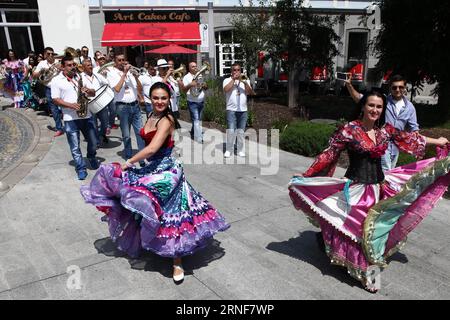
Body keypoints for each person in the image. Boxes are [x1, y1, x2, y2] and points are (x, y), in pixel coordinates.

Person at [288, 90, 450, 293]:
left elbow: (410, 138)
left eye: (379, 107)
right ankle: (368, 276)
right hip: (356, 189)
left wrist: (438, 141)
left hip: (379, 187)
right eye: (371, 105)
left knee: (375, 234)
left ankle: (332, 245)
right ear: (363, 106)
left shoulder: (385, 131)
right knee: (361, 232)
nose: (375, 110)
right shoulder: (349, 129)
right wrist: (307, 174)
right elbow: (328, 154)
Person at [80, 82, 230, 283]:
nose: (159, 101)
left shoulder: (167, 119)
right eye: (156, 97)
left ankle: (177, 260)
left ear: (170, 100)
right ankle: (149, 239)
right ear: (150, 98)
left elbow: (152, 149)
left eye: (163, 98)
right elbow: (148, 149)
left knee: (169, 212)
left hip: (167, 171)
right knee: (134, 196)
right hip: (152, 167)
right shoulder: (151, 115)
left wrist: (130, 161)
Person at [345, 75, 419, 171]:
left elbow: (414, 128)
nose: (397, 90)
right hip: (381, 144)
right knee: (385, 173)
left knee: (389, 172)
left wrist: (417, 148)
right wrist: (349, 85)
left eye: (401, 87)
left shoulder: (410, 107)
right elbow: (360, 99)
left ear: (405, 88)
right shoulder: (383, 101)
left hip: (396, 147)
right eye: (394, 87)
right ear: (390, 88)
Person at [51, 55, 100, 180]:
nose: (73, 67)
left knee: (94, 142)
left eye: (73, 64)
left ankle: (91, 156)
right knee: (75, 146)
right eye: (69, 65)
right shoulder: (56, 80)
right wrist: (71, 105)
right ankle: (81, 168)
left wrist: (88, 91)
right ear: (63, 67)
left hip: (86, 115)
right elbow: (55, 99)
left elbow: (94, 92)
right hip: (70, 118)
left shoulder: (80, 76)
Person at [106, 54, 146, 165]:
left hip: (135, 106)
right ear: (115, 62)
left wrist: (136, 77)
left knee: (140, 133)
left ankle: (142, 158)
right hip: (122, 107)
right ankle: (128, 156)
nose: (122, 62)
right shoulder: (111, 73)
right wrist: (124, 74)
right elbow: (117, 89)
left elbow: (139, 88)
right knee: (126, 135)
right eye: (119, 60)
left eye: (123, 60)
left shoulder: (130, 72)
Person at [223, 63, 255, 158]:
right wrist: (233, 79)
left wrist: (244, 82)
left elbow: (250, 92)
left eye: (238, 70)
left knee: (241, 131)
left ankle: (240, 149)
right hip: (231, 109)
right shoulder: (227, 80)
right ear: (231, 71)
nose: (236, 72)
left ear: (240, 71)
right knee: (231, 130)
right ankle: (229, 150)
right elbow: (226, 89)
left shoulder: (245, 80)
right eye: (234, 70)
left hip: (243, 110)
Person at [33, 47, 64, 137]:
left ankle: (72, 124)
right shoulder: (42, 63)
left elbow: (68, 70)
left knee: (65, 107)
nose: (51, 55)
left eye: (52, 54)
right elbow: (34, 75)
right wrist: (42, 71)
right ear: (45, 55)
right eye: (49, 54)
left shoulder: (59, 62)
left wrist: (61, 68)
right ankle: (59, 128)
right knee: (54, 109)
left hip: (61, 87)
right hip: (49, 88)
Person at [81, 59, 110, 146]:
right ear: (83, 67)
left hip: (101, 102)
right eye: (88, 65)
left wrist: (105, 76)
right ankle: (96, 141)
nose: (90, 66)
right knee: (93, 124)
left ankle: (101, 134)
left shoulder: (97, 75)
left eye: (91, 65)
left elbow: (107, 83)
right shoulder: (80, 77)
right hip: (90, 104)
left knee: (105, 123)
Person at [182, 61, 207, 143]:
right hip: (192, 101)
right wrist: (190, 84)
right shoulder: (186, 77)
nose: (195, 68)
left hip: (201, 101)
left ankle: (193, 131)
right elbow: (184, 90)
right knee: (196, 119)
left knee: (198, 119)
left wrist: (204, 86)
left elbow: (205, 87)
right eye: (193, 66)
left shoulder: (200, 75)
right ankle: (199, 137)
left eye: (196, 66)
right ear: (189, 68)